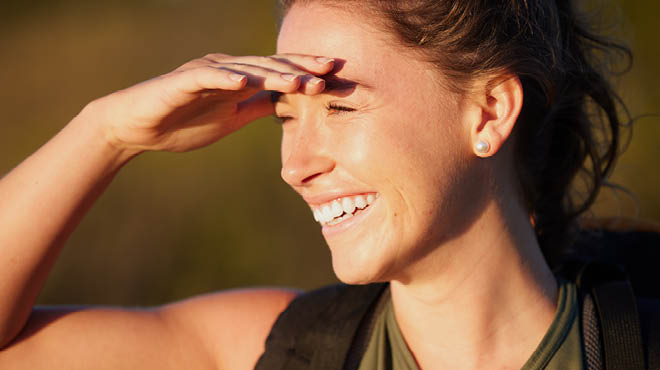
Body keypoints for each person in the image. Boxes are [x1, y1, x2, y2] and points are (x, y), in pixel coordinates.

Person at [0, 0, 646, 369]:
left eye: (339, 107)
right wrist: (105, 133)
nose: (295, 164)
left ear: (487, 113)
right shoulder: (284, 350)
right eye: (285, 116)